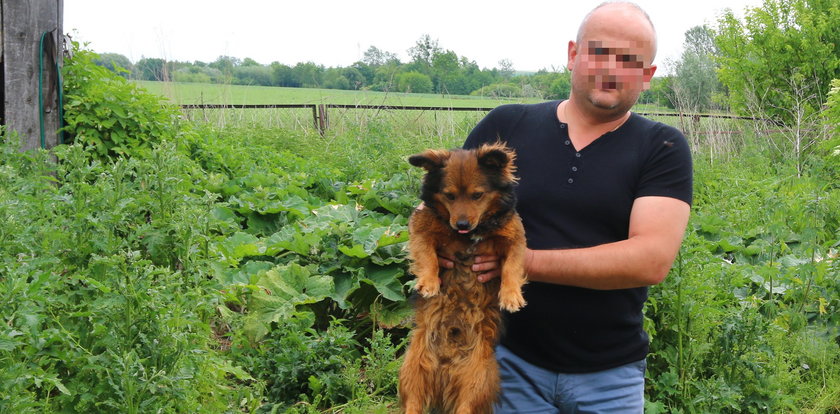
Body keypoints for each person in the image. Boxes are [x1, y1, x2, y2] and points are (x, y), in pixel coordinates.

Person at [444, 2, 694, 412]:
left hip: (610, 376)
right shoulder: (507, 126)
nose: (611, 68)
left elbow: (649, 260)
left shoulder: (661, 148)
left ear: (647, 76)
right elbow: (440, 206)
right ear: (573, 54)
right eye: (599, 51)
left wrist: (522, 261)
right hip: (506, 360)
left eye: (629, 59)